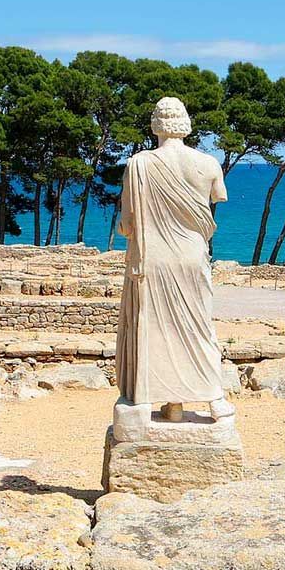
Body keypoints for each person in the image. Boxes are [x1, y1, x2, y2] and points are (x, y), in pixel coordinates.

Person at [114, 97, 233, 422]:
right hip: (192, 258)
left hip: (154, 260)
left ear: (156, 125)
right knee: (198, 328)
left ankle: (157, 400)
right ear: (186, 124)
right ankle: (208, 400)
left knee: (153, 330)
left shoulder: (138, 164)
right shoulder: (208, 164)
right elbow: (215, 200)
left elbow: (127, 225)